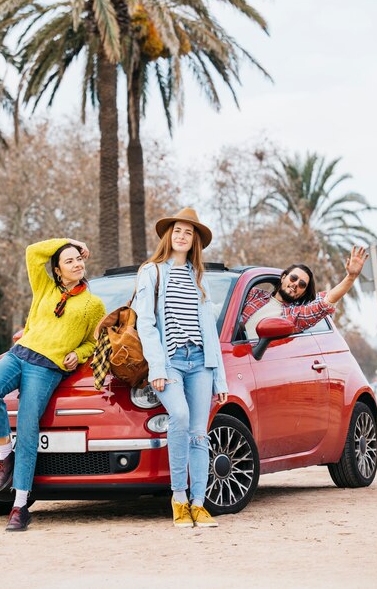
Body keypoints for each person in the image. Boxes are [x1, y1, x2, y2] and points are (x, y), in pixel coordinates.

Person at [0, 238, 105, 531]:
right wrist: (70, 241)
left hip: (47, 368)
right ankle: (4, 457)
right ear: (58, 270)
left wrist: (79, 353)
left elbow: (94, 341)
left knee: (27, 428)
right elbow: (32, 252)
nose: (77, 264)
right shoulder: (45, 288)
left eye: (79, 259)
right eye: (70, 260)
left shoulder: (93, 304)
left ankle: (20, 506)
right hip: (19, 354)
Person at [135, 207, 228, 528]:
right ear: (167, 235)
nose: (181, 236)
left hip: (200, 362)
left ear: (194, 241)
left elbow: (210, 332)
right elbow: (145, 323)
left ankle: (199, 504)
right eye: (177, 230)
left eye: (188, 232)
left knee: (200, 434)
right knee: (181, 417)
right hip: (170, 362)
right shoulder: (152, 271)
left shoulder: (198, 278)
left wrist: (220, 377)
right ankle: (178, 497)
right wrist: (156, 367)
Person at [242, 246, 368, 339]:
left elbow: (325, 302)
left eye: (302, 284)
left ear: (302, 293)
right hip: (226, 354)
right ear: (283, 277)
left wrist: (351, 277)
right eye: (293, 278)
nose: (296, 284)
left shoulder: (295, 316)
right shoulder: (253, 294)